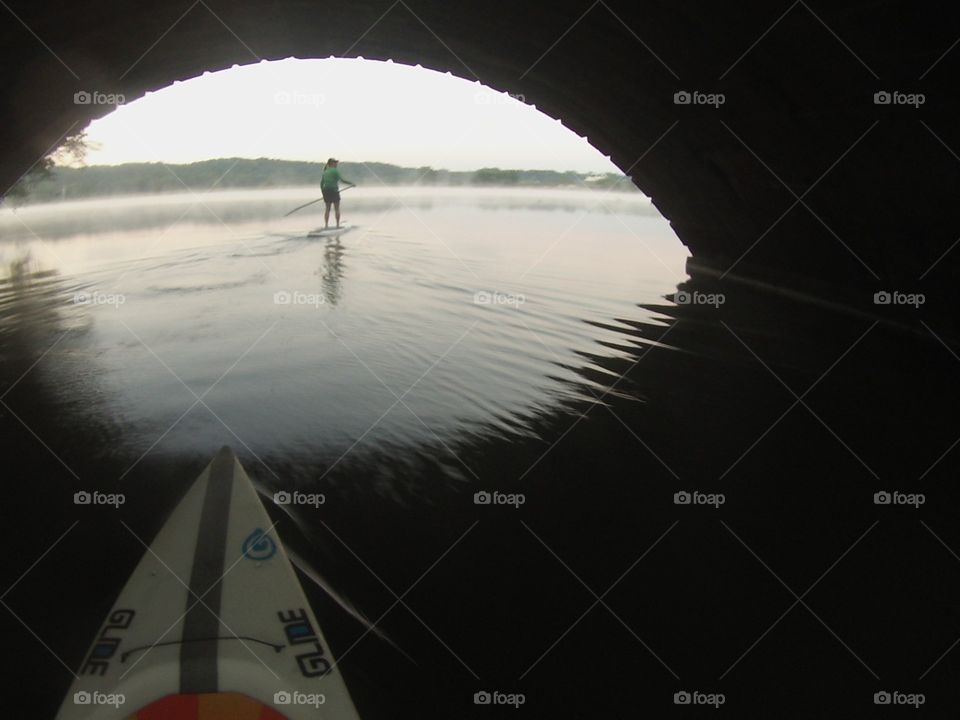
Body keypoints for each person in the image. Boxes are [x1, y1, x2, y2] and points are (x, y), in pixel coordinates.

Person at [320, 158, 355, 229]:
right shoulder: (335, 171)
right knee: (337, 208)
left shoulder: (325, 171)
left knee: (327, 209)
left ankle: (326, 225)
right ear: (332, 163)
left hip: (325, 191)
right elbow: (342, 180)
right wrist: (351, 183)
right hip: (334, 191)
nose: (336, 164)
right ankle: (337, 225)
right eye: (335, 162)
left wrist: (323, 193)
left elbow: (321, 184)